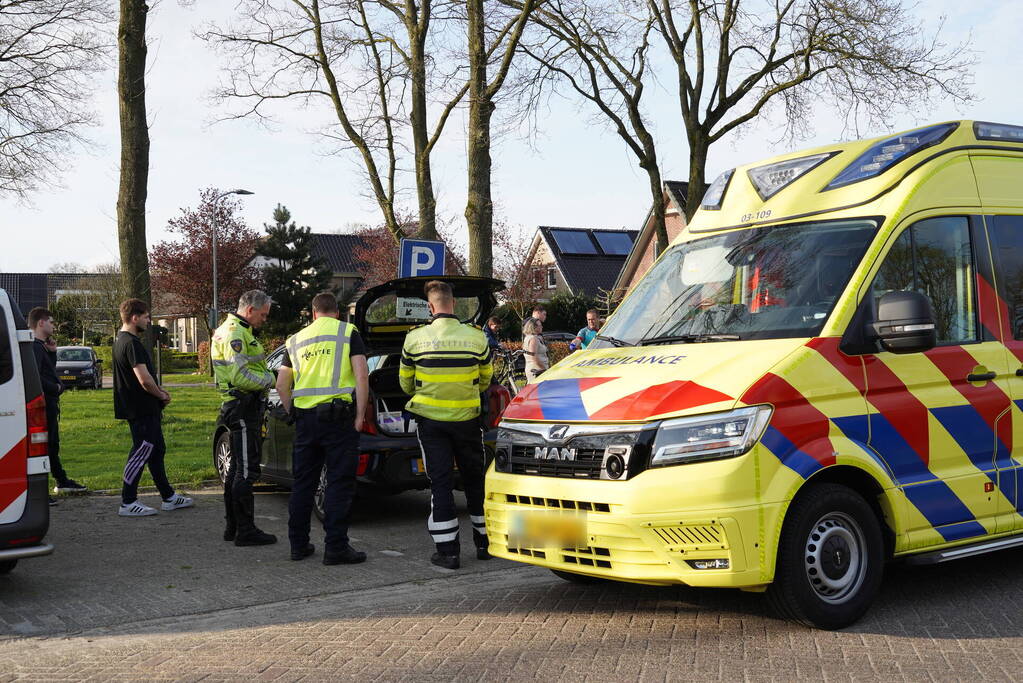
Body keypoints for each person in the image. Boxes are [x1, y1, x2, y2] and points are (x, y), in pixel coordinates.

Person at [399, 280, 493, 570]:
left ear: (430, 306)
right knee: (475, 480)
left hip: (431, 424)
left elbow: (405, 383)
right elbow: (486, 378)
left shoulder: (414, 339)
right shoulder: (477, 338)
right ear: (453, 303)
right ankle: (484, 545)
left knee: (440, 484)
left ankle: (448, 552)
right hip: (467, 421)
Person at [276, 292, 369, 565]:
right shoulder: (348, 332)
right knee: (339, 483)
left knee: (303, 483)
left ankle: (298, 545)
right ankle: (336, 548)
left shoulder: (294, 340)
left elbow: (282, 385)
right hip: (339, 420)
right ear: (337, 312)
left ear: (313, 313)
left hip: (306, 420)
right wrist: (360, 415)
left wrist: (293, 412)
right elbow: (362, 375)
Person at [112, 299, 193, 517]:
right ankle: (127, 502)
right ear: (134, 317)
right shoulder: (131, 343)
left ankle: (168, 497)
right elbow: (144, 379)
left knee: (156, 452)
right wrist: (161, 395)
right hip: (141, 409)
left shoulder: (120, 340)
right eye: (147, 317)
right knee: (141, 452)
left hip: (143, 408)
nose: (149, 321)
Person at [211, 290, 277, 546]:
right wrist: (271, 379)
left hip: (237, 405)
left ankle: (234, 527)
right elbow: (240, 376)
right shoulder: (235, 334)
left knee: (237, 468)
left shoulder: (234, 330)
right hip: (243, 407)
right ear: (250, 310)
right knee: (247, 471)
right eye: (263, 315)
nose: (264, 320)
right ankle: (245, 531)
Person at [27, 308, 86, 502]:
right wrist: (56, 388)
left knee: (52, 444)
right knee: (46, 445)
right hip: (44, 405)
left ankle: (61, 480)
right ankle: (44, 488)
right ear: (41, 323)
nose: (53, 326)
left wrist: (52, 353)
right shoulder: (34, 347)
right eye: (51, 322)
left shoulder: (40, 347)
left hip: (49, 404)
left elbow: (46, 370)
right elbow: (35, 377)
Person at [522, 316, 548, 382]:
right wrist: (544, 369)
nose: (542, 327)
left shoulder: (528, 337)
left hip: (534, 368)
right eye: (540, 325)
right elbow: (534, 357)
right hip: (537, 370)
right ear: (534, 327)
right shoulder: (533, 339)